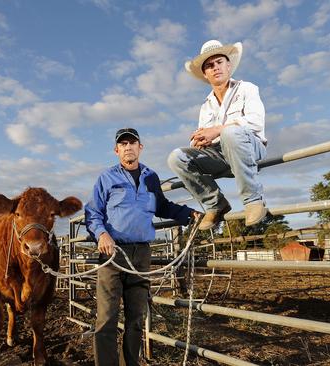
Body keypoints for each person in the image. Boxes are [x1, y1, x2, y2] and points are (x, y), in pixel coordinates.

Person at [85, 128, 200, 366]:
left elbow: (163, 206)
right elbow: (92, 212)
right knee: (106, 317)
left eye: (132, 142)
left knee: (136, 317)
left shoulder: (151, 177)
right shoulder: (106, 178)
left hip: (142, 255)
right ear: (116, 150)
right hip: (112, 254)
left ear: (140, 147)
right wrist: (101, 234)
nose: (128, 147)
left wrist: (189, 214)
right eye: (123, 143)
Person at [168, 39, 268, 230]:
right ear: (205, 74)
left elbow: (255, 122)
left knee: (230, 132)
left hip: (250, 147)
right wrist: (198, 140)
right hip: (221, 154)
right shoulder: (206, 105)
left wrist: (216, 130)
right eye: (209, 66)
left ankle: (253, 200)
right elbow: (205, 134)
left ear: (229, 65)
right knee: (176, 157)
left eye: (219, 62)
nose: (215, 68)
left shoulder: (247, 88)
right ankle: (215, 204)